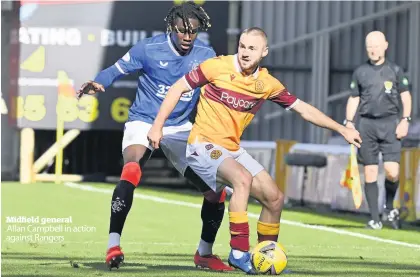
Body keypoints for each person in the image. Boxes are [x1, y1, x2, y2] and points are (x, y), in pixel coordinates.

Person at [147, 27, 362, 274]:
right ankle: (238, 253)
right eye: (242, 46)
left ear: (264, 52)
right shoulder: (216, 67)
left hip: (231, 149)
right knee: (242, 179)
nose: (245, 53)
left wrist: (342, 129)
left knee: (274, 198)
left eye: (252, 48)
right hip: (202, 143)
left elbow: (303, 109)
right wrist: (157, 126)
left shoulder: (267, 84)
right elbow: (177, 88)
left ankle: (265, 258)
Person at [77, 1, 232, 271]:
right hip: (144, 121)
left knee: (215, 193)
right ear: (172, 27)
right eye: (182, 31)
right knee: (132, 169)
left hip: (181, 127)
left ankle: (204, 254)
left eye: (192, 32)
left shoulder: (206, 54)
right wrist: (100, 81)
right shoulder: (148, 49)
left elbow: (223, 87)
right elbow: (115, 70)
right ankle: (113, 245)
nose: (187, 37)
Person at [344, 31, 412, 230]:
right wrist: (349, 122)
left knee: (392, 172)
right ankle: (375, 218)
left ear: (385, 45)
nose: (373, 49)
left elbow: (406, 96)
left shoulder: (396, 70)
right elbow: (354, 97)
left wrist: (405, 120)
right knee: (371, 171)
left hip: (390, 124)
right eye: (369, 46)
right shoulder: (360, 72)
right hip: (366, 125)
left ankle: (390, 207)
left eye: (376, 45)